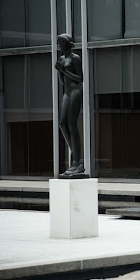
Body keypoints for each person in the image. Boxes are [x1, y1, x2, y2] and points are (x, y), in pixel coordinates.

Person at [55, 33, 85, 177]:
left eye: (61, 42)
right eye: (58, 42)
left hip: (75, 91)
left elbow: (80, 78)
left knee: (72, 124)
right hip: (66, 92)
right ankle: (76, 155)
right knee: (62, 123)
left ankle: (77, 161)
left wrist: (64, 70)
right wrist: (60, 71)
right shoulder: (61, 58)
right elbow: (62, 81)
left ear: (68, 44)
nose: (59, 45)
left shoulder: (75, 58)